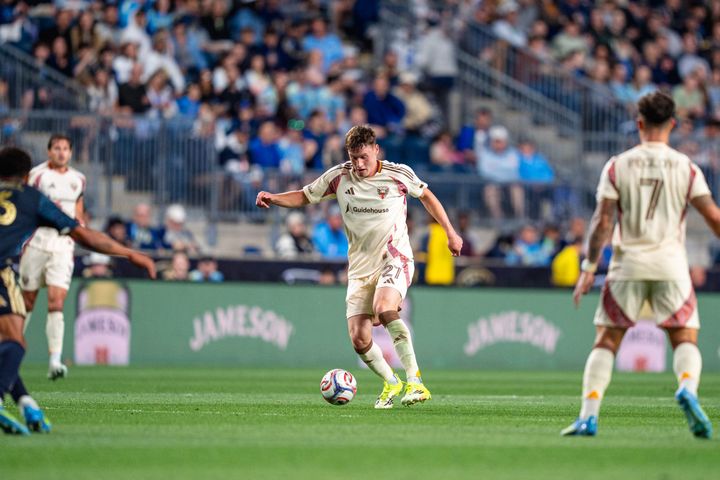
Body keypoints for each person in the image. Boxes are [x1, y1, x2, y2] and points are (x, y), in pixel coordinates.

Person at [256, 125, 462, 408]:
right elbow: (305, 195)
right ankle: (392, 383)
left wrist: (450, 232)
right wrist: (274, 198)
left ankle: (416, 382)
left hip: (394, 256)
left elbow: (427, 196)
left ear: (376, 150)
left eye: (364, 156)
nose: (359, 164)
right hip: (360, 267)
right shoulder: (339, 177)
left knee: (384, 308)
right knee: (359, 338)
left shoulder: (397, 174)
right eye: (354, 157)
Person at [564, 92, 715, 439]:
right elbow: (712, 216)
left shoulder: (618, 164)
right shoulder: (686, 167)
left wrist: (589, 267)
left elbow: (602, 220)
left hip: (627, 265)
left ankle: (588, 417)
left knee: (606, 341)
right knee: (684, 337)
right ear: (673, 125)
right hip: (671, 266)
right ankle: (688, 389)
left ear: (639, 124)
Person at [0, 146, 155, 435]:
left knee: (7, 342)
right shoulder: (31, 199)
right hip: (2, 272)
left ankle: (25, 403)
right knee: (15, 343)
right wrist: (129, 253)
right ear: (25, 175)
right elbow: (83, 234)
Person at [18, 134, 86, 381]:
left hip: (63, 245)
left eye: (65, 149)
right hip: (36, 242)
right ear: (48, 151)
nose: (61, 153)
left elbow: (78, 212)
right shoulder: (36, 176)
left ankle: (55, 361)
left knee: (57, 302)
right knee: (26, 302)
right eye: (56, 148)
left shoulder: (78, 180)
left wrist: (81, 229)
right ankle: (10, 353)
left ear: (70, 152)